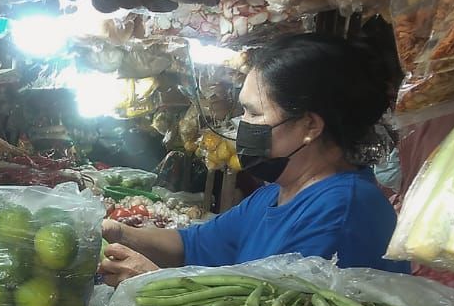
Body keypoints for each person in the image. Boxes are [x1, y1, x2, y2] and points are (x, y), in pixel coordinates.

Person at [100, 34, 406, 285]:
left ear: (310, 125)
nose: (240, 123)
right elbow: (191, 244)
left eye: (254, 113)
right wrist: (116, 232)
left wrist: (151, 282)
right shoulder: (275, 195)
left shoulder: (342, 212)